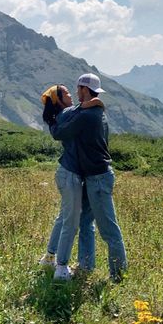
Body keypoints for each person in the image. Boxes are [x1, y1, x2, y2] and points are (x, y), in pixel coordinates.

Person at [49, 73, 128, 282]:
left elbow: (60, 133)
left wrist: (50, 118)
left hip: (98, 179)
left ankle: (118, 277)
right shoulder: (98, 113)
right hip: (95, 178)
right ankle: (85, 267)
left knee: (109, 230)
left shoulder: (87, 115)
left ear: (84, 90)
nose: (76, 93)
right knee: (85, 222)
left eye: (78, 89)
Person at [39, 84, 102, 280]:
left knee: (64, 217)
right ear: (59, 100)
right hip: (70, 174)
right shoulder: (67, 113)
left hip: (67, 173)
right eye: (66, 93)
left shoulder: (62, 115)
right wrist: (96, 102)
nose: (71, 95)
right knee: (71, 222)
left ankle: (49, 257)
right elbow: (79, 109)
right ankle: (61, 268)